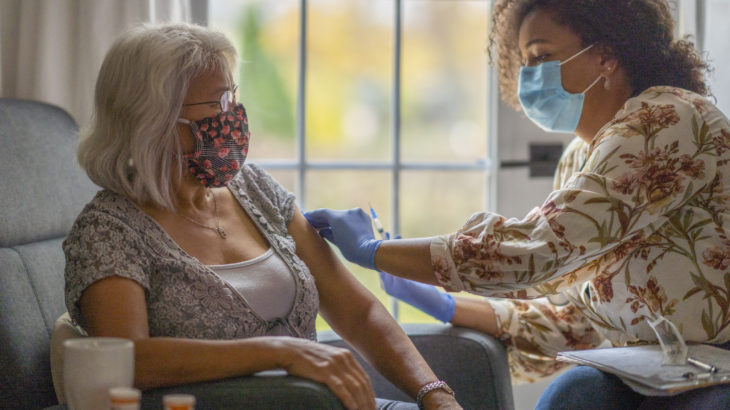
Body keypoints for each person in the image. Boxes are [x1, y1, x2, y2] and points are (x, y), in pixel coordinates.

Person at [304, 0, 730, 408]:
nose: (528, 76)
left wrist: (375, 252)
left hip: (716, 366)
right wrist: (450, 306)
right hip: (655, 370)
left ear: (605, 56)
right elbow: (577, 322)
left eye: (541, 56)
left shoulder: (669, 119)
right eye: (523, 61)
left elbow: (541, 248)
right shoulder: (579, 160)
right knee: (572, 395)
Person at [63, 22, 461, 410]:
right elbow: (129, 359)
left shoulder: (253, 188)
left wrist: (434, 393)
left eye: (232, 97)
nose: (232, 116)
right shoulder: (108, 230)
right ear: (155, 121)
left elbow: (359, 313)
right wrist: (277, 352)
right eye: (218, 104)